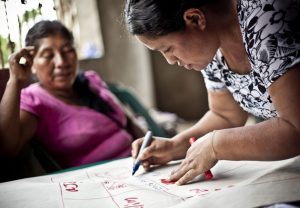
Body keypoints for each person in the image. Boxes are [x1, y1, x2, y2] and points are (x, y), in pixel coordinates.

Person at [124, 0, 300, 185]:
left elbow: (296, 128)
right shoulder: (212, 41)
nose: (170, 60)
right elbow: (225, 115)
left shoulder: (269, 19)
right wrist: (175, 146)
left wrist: (217, 144)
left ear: (195, 19)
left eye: (167, 49)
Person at [0, 20, 144, 169]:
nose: (61, 62)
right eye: (48, 55)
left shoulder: (89, 80)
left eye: (67, 50)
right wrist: (14, 81)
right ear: (32, 63)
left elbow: (129, 120)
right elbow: (7, 148)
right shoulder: (34, 100)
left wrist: (149, 147)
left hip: (138, 164)